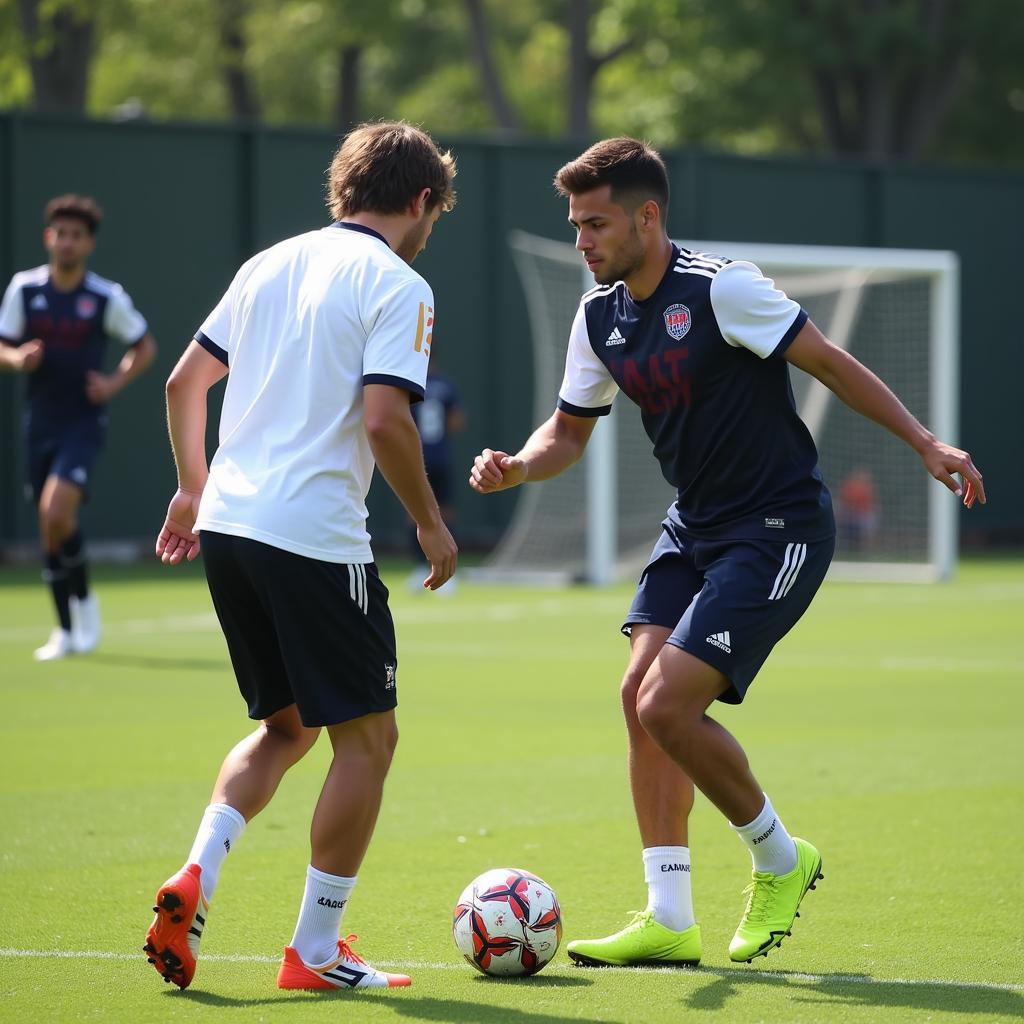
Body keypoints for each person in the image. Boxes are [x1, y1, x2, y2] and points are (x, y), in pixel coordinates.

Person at [470, 137, 984, 969]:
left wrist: (926, 443)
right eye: (574, 225)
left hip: (777, 526)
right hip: (695, 525)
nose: (582, 241)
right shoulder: (599, 314)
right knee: (637, 692)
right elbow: (567, 431)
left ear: (648, 216)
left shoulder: (723, 288)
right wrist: (519, 467)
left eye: (596, 223)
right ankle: (669, 917)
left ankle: (782, 859)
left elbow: (830, 363)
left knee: (667, 705)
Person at [146, 121, 457, 994]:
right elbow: (387, 420)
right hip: (314, 536)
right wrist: (430, 524)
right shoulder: (401, 283)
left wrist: (190, 490)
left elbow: (183, 384)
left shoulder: (267, 263)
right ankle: (315, 952)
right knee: (370, 740)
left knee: (286, 728)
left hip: (232, 526)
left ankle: (198, 869)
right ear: (422, 200)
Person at [0, 194, 157, 661]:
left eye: (76, 235)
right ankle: (66, 629)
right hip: (40, 423)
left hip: (82, 425)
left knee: (54, 513)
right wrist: (15, 358)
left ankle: (84, 605)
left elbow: (143, 346)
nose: (67, 242)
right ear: (49, 238)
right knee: (53, 529)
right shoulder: (24, 290)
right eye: (60, 234)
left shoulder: (104, 297)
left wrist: (112, 383)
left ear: (88, 244)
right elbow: (2, 345)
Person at [408, 360, 464, 588]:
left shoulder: (411, 383)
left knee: (414, 513)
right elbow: (457, 420)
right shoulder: (446, 385)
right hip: (441, 455)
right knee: (446, 510)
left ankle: (422, 567)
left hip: (416, 456)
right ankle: (448, 571)